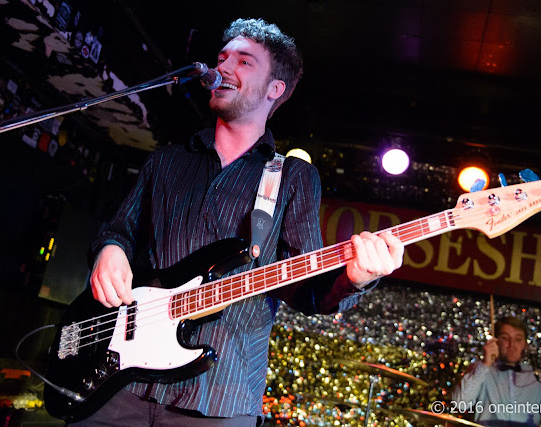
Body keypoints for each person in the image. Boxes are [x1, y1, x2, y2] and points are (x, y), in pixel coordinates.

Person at [73, 18, 404, 426]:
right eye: (222, 57)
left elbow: (309, 294)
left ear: (274, 89)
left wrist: (356, 278)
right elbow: (118, 231)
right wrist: (110, 250)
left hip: (217, 399)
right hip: (116, 388)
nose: (225, 67)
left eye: (245, 62)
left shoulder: (293, 178)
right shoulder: (167, 161)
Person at [451, 316, 541, 427]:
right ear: (496, 341)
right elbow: (460, 403)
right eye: (505, 338)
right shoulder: (481, 370)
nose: (512, 345)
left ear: (525, 345)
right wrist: (485, 364)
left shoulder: (539, 378)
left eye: (518, 339)